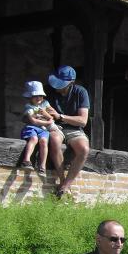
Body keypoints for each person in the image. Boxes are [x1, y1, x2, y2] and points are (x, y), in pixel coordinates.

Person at [45, 65, 90, 197]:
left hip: (74, 128)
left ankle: (66, 185)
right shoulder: (49, 90)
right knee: (54, 139)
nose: (57, 87)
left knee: (84, 149)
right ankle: (63, 183)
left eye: (61, 84)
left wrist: (61, 116)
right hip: (55, 126)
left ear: (71, 82)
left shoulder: (80, 92)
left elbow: (83, 121)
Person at [18, 80, 57, 175]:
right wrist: (47, 122)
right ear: (30, 97)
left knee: (44, 141)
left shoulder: (45, 104)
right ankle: (26, 160)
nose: (38, 98)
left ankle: (42, 166)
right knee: (34, 139)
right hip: (32, 127)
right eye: (35, 96)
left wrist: (46, 115)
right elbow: (33, 121)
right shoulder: (29, 107)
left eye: (40, 95)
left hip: (43, 129)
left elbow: (52, 116)